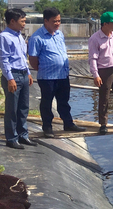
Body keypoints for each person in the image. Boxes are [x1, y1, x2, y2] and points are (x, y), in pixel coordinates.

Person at [28, 7, 86, 137]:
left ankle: (68, 123)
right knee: (47, 103)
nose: (58, 23)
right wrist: (42, 68)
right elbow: (32, 59)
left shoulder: (60, 34)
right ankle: (47, 127)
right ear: (46, 21)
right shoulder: (37, 37)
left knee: (64, 101)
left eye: (59, 20)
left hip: (62, 75)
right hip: (47, 77)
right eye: (55, 21)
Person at [0, 8, 36, 149]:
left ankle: (23, 135)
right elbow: (4, 60)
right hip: (13, 75)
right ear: (12, 21)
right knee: (12, 108)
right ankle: (11, 138)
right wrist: (10, 79)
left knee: (23, 107)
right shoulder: (4, 37)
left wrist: (28, 73)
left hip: (23, 74)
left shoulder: (19, 36)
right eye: (22, 21)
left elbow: (22, 58)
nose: (24, 24)